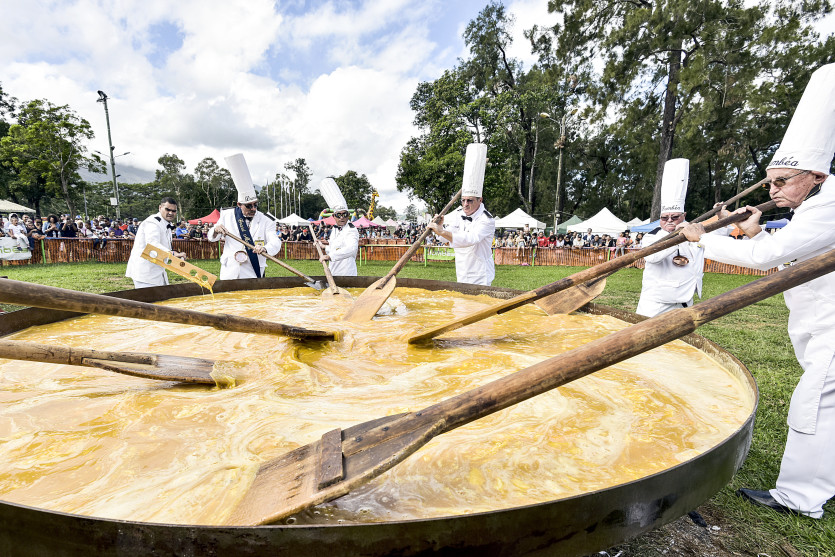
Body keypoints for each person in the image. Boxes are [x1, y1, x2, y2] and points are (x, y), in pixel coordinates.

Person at [681, 63, 835, 519]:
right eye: (770, 181)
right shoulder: (813, 208)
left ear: (816, 176)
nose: (773, 189)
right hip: (819, 322)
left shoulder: (828, 208)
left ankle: (799, 497)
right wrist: (753, 231)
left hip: (831, 328)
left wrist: (703, 238)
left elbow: (767, 259)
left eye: (782, 181)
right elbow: (789, 252)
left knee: (813, 407)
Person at [635, 158, 727, 318]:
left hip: (686, 300)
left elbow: (719, 240)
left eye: (675, 217)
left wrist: (722, 218)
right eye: (665, 218)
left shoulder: (695, 231)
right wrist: (679, 236)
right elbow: (652, 257)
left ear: (684, 215)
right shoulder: (653, 236)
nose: (669, 221)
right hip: (656, 304)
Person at [427, 143, 495, 285]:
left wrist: (441, 231)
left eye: (470, 200)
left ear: (480, 200)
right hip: (462, 271)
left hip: (480, 274)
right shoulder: (458, 214)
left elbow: (471, 239)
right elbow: (444, 238)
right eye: (463, 200)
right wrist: (440, 229)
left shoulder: (486, 220)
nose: (465, 204)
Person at [208, 154, 282, 280]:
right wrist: (215, 230)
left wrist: (265, 248)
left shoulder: (266, 221)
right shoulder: (227, 215)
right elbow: (212, 238)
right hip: (229, 271)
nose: (253, 209)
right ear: (239, 204)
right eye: (249, 206)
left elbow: (275, 242)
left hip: (252, 270)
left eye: (255, 205)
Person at [125, 197, 186, 289]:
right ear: (160, 208)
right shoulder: (152, 223)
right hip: (145, 273)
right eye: (167, 209)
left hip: (157, 271)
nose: (170, 213)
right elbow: (152, 245)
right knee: (149, 298)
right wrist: (173, 254)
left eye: (173, 211)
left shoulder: (165, 223)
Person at [317, 177, 359, 276]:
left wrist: (329, 256)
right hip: (333, 271)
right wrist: (324, 246)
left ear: (348, 215)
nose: (342, 218)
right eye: (338, 215)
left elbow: (351, 249)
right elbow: (335, 248)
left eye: (344, 214)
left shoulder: (351, 230)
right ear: (333, 216)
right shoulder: (335, 229)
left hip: (347, 273)